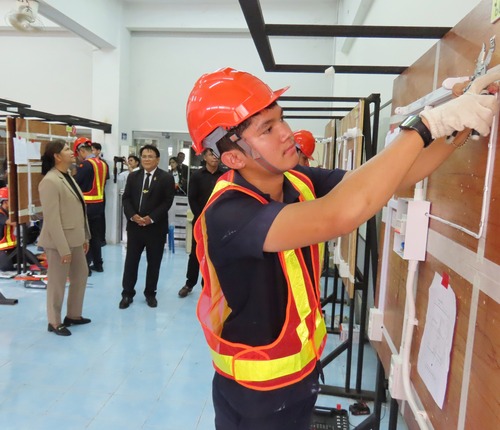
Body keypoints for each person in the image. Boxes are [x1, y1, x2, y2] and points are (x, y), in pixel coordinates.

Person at [185, 67, 500, 429]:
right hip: (255, 396)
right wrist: (425, 125)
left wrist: (459, 125)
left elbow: (395, 177)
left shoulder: (296, 180)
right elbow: (338, 215)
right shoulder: (229, 213)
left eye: (281, 118)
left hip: (301, 379)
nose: (286, 132)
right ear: (233, 158)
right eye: (267, 129)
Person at [38, 139, 91, 337]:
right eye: (67, 149)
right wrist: (63, 249)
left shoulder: (67, 176)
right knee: (57, 282)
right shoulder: (50, 181)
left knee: (81, 275)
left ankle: (73, 315)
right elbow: (52, 219)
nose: (71, 152)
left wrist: (85, 237)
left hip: (75, 238)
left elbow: (78, 209)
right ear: (57, 156)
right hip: (59, 242)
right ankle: (54, 321)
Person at [119, 144, 175, 309]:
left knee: (154, 263)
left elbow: (167, 202)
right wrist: (132, 215)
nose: (147, 159)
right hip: (135, 227)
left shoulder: (166, 178)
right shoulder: (133, 177)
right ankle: (127, 294)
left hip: (155, 228)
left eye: (150, 156)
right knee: (131, 262)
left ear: (157, 159)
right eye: (144, 156)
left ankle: (150, 293)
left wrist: (151, 218)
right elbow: (126, 199)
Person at [178, 149, 224, 298]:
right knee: (195, 253)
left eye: (217, 155)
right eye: (211, 154)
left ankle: (208, 285)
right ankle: (189, 283)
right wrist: (201, 217)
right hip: (200, 221)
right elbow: (192, 198)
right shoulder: (197, 175)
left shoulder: (224, 176)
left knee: (213, 254)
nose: (214, 158)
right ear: (204, 157)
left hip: (218, 223)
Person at [74, 139, 108, 275]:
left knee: (85, 237)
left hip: (86, 206)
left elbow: (76, 183)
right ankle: (98, 264)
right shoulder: (102, 164)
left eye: (77, 154)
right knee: (96, 236)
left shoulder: (86, 165)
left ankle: (85, 267)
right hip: (99, 205)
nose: (78, 157)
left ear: (82, 151)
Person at [91, 142, 110, 246]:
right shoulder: (86, 163)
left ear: (98, 151)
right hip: (88, 194)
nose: (91, 152)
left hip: (100, 193)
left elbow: (105, 178)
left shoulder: (103, 163)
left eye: (93, 150)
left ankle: (101, 239)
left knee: (100, 216)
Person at [0, 187, 17, 271]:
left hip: (10, 248)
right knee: (6, 268)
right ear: (5, 202)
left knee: (31, 259)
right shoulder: (0, 214)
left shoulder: (8, 212)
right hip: (1, 250)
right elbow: (13, 222)